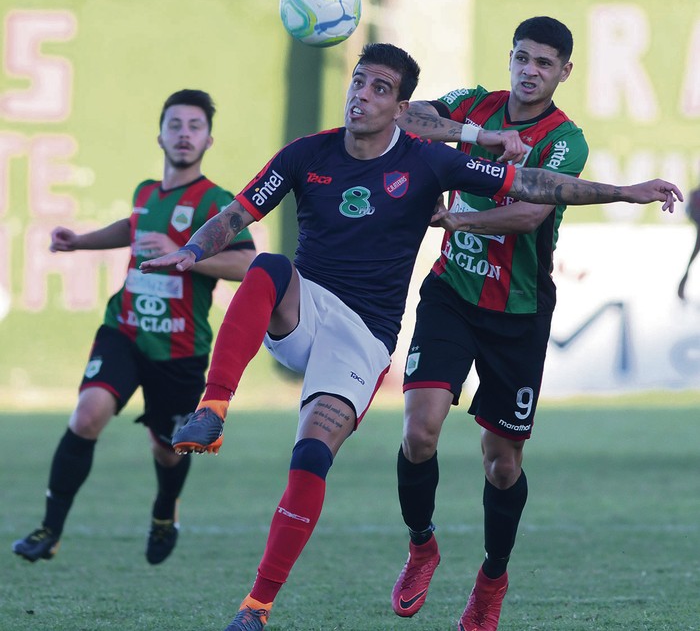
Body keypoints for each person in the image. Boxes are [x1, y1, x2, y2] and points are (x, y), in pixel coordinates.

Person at [140, 43, 680, 631]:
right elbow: (239, 213)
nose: (362, 96)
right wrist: (193, 250)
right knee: (273, 273)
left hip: (375, 337)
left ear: (396, 105)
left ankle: (258, 606)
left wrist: (624, 192)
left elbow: (532, 189)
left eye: (379, 89)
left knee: (325, 458)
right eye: (358, 82)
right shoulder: (306, 153)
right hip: (315, 309)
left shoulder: (433, 162)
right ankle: (214, 409)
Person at [388, 16, 593, 631]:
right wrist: (470, 132)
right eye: (522, 58)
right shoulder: (478, 104)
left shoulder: (565, 140)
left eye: (544, 63)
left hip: (519, 312)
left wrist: (456, 223)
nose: (530, 71)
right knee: (419, 432)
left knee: (501, 462)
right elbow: (403, 114)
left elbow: (530, 213)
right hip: (452, 293)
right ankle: (422, 545)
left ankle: (491, 581)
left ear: (563, 72)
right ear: (511, 58)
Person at [12, 89, 256, 566]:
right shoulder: (146, 191)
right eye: (176, 125)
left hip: (180, 349)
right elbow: (133, 225)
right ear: (159, 134)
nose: (184, 134)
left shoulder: (215, 200)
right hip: (123, 330)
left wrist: (185, 252)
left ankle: (165, 512)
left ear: (209, 140)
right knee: (87, 416)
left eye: (195, 127)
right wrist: (79, 242)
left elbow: (247, 263)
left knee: (168, 451)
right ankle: (50, 529)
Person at [677, 183, 700, 301]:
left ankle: (681, 288)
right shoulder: (695, 194)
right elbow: (689, 211)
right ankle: (681, 288)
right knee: (691, 262)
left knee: (691, 261)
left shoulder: (695, 194)